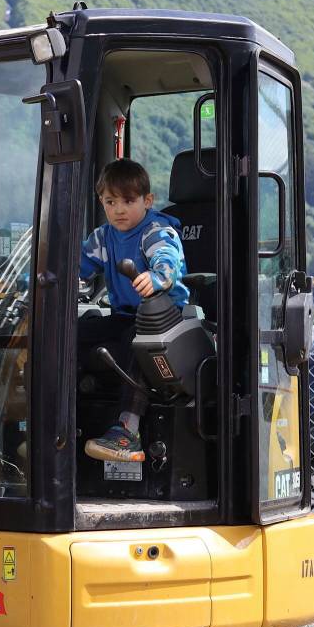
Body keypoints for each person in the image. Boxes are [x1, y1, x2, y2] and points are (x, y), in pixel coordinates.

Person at [79, 158, 189, 462]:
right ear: (101, 202)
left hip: (165, 318)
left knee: (138, 339)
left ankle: (128, 432)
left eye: (128, 201)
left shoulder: (155, 230)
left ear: (147, 201)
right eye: (110, 201)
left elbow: (167, 258)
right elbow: (76, 266)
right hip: (125, 315)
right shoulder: (103, 237)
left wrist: (157, 277)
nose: (119, 209)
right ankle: (58, 422)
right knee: (73, 333)